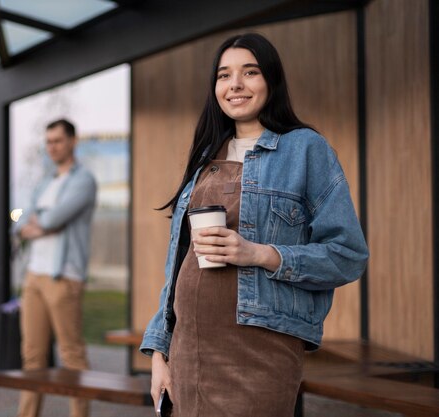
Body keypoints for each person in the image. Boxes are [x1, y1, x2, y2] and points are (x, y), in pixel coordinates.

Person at [139, 33, 369, 417]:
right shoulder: (205, 158)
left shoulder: (305, 149)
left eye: (250, 72)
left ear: (271, 81)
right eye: (224, 75)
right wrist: (160, 350)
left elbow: (347, 255)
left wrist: (259, 254)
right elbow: (176, 265)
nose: (235, 85)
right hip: (188, 350)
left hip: (260, 351)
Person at [16, 119, 97, 417]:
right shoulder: (44, 183)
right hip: (34, 276)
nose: (52, 147)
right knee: (32, 357)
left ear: (73, 141)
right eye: (48, 141)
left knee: (71, 355)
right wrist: (39, 223)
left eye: (58, 141)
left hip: (63, 277)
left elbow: (51, 220)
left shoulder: (83, 180)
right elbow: (24, 223)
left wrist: (43, 222)